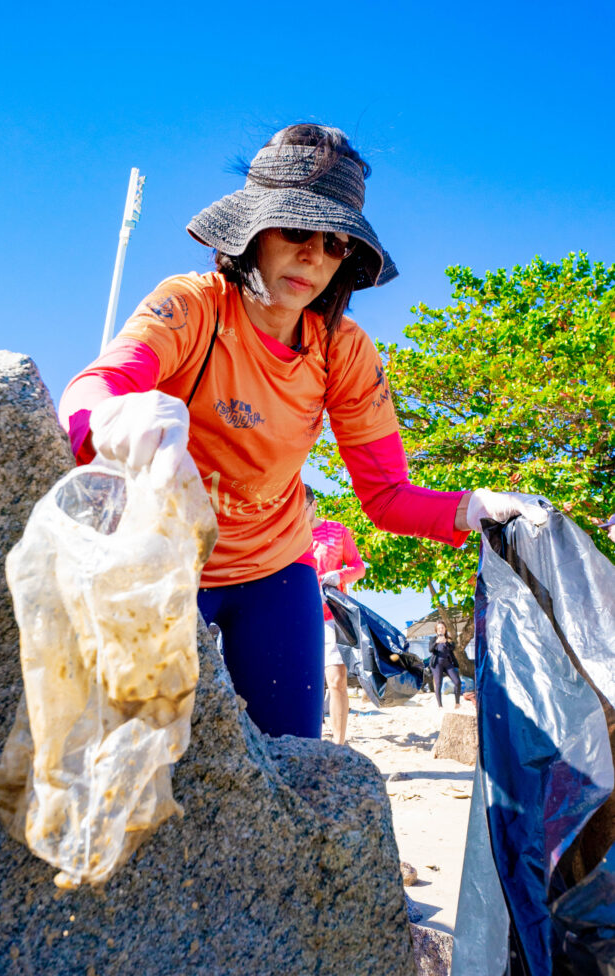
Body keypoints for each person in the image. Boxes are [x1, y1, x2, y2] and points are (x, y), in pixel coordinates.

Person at [59, 122, 548, 741]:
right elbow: (98, 385)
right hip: (162, 558)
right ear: (252, 232)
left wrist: (473, 507)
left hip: (274, 569)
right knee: (138, 753)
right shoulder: (193, 306)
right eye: (295, 230)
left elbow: (386, 496)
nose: (314, 256)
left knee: (294, 755)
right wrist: (112, 418)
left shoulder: (342, 349)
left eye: (336, 242)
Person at [305, 484, 365, 745]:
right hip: (300, 616)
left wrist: (339, 575)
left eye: (302, 509)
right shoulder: (288, 534)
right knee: (305, 682)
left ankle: (339, 744)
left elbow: (359, 567)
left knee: (337, 680)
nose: (297, 515)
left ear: (314, 505)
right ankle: (309, 740)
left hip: (332, 616)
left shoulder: (337, 530)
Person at [428, 621, 462, 710]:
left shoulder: (449, 639)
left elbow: (453, 648)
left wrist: (446, 642)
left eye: (442, 627)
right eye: (439, 628)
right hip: (436, 664)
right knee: (438, 684)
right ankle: (440, 706)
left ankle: (457, 703)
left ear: (445, 629)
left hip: (448, 663)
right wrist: (436, 642)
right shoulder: (433, 639)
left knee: (457, 682)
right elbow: (430, 649)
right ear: (436, 630)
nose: (441, 629)